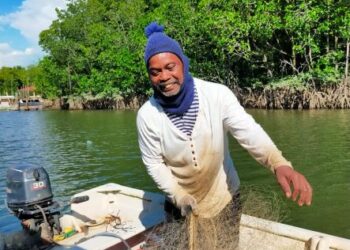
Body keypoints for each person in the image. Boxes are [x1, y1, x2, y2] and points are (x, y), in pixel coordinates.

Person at [136, 22, 312, 220]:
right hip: (180, 203)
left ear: (183, 64)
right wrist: (178, 195)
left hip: (225, 197)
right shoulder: (147, 115)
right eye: (155, 72)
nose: (164, 77)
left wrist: (278, 163)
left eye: (170, 67)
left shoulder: (217, 95)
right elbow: (154, 163)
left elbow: (248, 131)